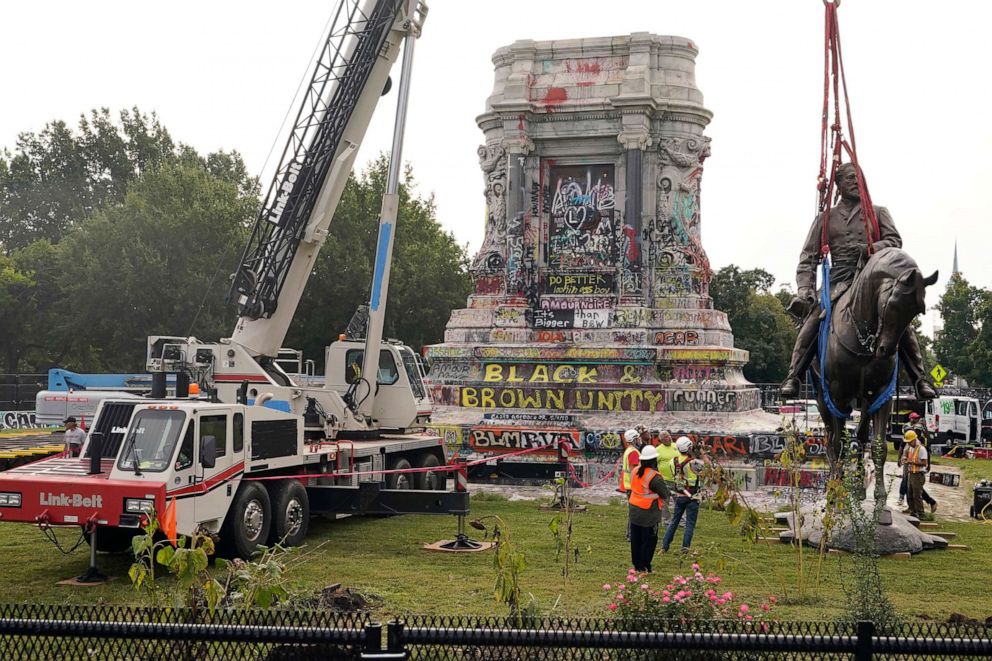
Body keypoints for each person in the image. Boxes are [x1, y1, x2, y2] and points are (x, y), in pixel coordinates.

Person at [780, 162, 936, 401]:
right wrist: (805, 290)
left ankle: (920, 378)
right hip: (838, 280)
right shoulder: (825, 219)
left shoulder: (878, 212)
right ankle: (794, 374)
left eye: (858, 178)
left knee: (899, 320)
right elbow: (808, 259)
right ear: (839, 185)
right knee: (813, 321)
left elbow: (894, 242)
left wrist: (869, 248)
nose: (855, 182)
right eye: (850, 178)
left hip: (872, 279)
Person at [662, 436, 710, 553]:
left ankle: (665, 546)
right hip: (692, 496)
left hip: (680, 495)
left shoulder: (672, 461)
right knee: (690, 524)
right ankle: (685, 548)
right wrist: (702, 452)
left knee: (674, 521)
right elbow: (708, 466)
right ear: (688, 448)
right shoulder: (694, 463)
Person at [627, 445, 670, 573]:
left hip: (634, 509)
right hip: (648, 513)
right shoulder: (655, 477)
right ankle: (645, 565)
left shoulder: (635, 471)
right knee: (649, 540)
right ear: (654, 460)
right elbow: (664, 494)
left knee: (636, 539)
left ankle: (637, 565)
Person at [897, 413, 937, 512]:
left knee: (915, 489)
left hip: (916, 468)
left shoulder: (921, 442)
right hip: (909, 466)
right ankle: (911, 506)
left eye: (920, 431)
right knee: (910, 487)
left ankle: (928, 503)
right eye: (917, 430)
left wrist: (928, 464)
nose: (918, 432)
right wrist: (901, 459)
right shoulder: (909, 437)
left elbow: (927, 453)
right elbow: (902, 448)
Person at [618, 429, 642, 541]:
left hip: (629, 486)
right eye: (637, 437)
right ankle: (631, 535)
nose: (639, 439)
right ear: (633, 439)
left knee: (633, 511)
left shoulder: (629, 450)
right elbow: (634, 470)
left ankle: (630, 534)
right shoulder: (633, 452)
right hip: (633, 487)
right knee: (635, 512)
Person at [655, 431, 681, 526]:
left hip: (678, 479)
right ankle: (667, 521)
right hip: (664, 480)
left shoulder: (676, 446)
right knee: (664, 502)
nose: (669, 438)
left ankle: (681, 521)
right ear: (661, 440)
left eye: (669, 436)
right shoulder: (658, 450)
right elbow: (654, 464)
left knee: (679, 501)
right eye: (666, 437)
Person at [902, 430, 929, 518]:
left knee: (917, 495)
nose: (908, 444)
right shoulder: (911, 448)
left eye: (909, 442)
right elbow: (909, 458)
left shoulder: (921, 449)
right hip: (911, 473)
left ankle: (921, 514)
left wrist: (911, 462)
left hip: (918, 474)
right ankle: (912, 512)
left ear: (914, 440)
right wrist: (905, 459)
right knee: (910, 494)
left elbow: (924, 463)